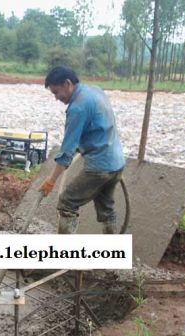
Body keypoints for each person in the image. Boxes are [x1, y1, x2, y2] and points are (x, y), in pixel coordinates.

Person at [38, 66, 125, 234]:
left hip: (99, 167)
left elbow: (66, 151)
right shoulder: (96, 92)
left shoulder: (77, 107)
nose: (57, 98)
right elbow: (98, 126)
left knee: (66, 202)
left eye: (56, 92)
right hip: (117, 163)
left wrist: (51, 180)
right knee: (106, 209)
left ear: (67, 83)